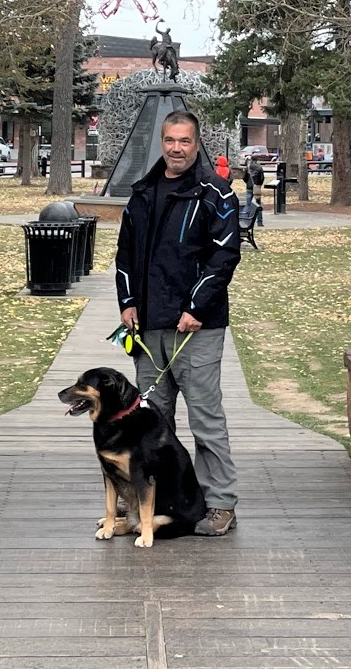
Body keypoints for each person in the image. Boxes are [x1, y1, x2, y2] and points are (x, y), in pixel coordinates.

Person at [114, 111, 241, 536]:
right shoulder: (143, 192)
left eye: (185, 141)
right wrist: (128, 303)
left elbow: (223, 257)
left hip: (197, 328)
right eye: (170, 140)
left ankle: (220, 503)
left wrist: (196, 307)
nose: (176, 148)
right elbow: (126, 255)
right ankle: (157, 503)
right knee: (152, 421)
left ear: (196, 143)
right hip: (149, 328)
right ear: (162, 142)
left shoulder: (216, 193)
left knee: (205, 418)